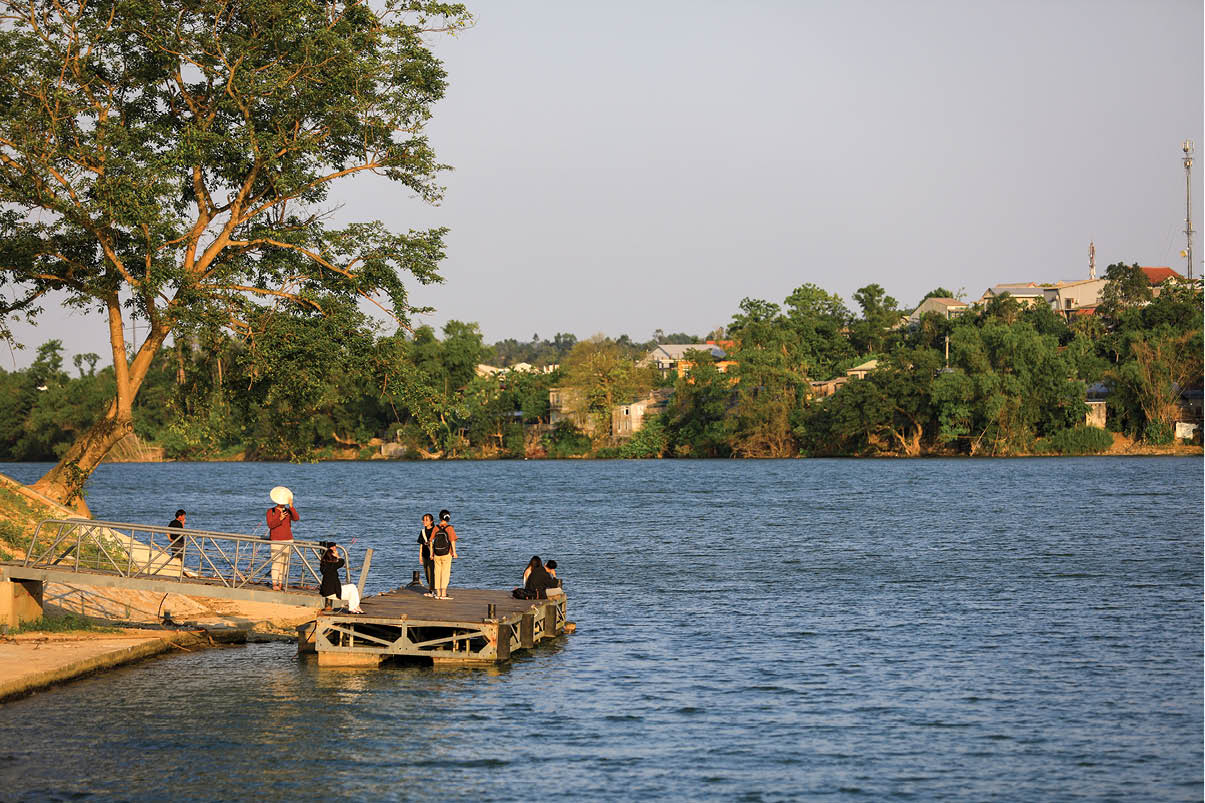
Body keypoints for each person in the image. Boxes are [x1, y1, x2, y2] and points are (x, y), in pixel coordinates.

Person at [266, 486, 298, 591]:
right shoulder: (271, 511)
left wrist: (291, 506)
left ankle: (281, 583)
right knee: (276, 562)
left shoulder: (288, 511)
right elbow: (270, 525)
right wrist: (279, 518)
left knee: (284, 563)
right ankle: (274, 583)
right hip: (276, 540)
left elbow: (296, 518)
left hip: (288, 539)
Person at [319, 543, 363, 613]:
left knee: (352, 587)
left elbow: (336, 563)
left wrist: (334, 556)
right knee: (352, 591)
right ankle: (353, 608)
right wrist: (338, 556)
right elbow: (341, 562)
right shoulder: (331, 567)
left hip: (327, 591)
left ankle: (355, 607)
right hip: (332, 593)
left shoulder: (324, 565)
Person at [429, 509, 458, 600]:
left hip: (436, 554)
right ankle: (443, 594)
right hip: (446, 553)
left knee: (437, 572)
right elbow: (452, 541)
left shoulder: (436, 528)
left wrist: (431, 554)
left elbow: (431, 541)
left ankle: (438, 593)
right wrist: (454, 552)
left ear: (440, 517)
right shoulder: (449, 528)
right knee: (445, 573)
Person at [417, 512, 436, 596]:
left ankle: (432, 590)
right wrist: (420, 555)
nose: (424, 521)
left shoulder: (435, 530)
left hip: (433, 554)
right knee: (426, 573)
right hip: (425, 554)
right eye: (423, 520)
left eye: (426, 520)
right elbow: (421, 544)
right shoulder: (422, 531)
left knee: (431, 572)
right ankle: (431, 588)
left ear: (431, 521)